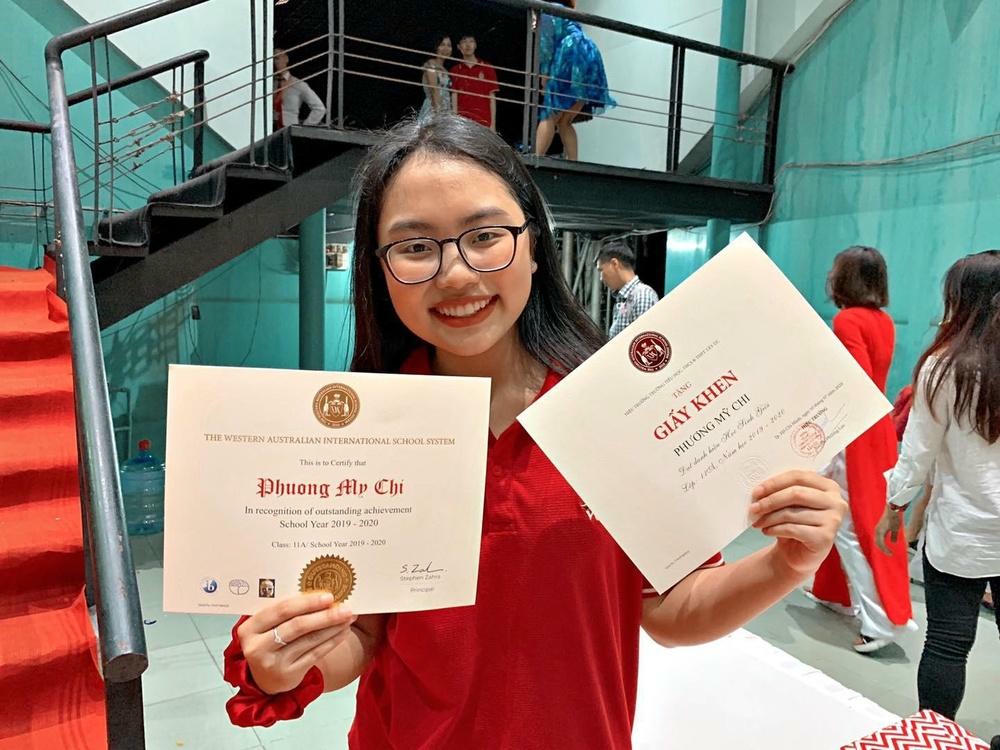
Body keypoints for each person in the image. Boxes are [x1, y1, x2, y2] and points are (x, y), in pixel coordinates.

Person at [220, 114, 847, 748]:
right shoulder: (361, 432)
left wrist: (785, 562)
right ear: (379, 267)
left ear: (533, 243)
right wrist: (286, 657)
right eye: (416, 247)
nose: (455, 274)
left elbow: (671, 606)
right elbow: (362, 633)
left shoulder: (616, 411)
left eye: (484, 236)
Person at [874, 250, 1000, 735]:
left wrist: (894, 506)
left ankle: (936, 739)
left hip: (963, 528)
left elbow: (917, 451)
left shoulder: (944, 367)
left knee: (947, 643)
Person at [806, 246, 914, 653]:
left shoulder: (847, 319)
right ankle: (839, 596)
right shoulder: (883, 321)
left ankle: (878, 620)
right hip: (875, 428)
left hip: (854, 432)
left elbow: (855, 380)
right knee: (859, 520)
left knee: (850, 527)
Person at [534, 0, 616, 161]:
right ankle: (573, 161)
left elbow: (546, 47)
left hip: (570, 53)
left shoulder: (547, 12)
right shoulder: (566, 13)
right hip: (588, 52)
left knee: (549, 114)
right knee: (565, 120)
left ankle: (536, 159)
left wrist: (544, 76)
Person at [597, 241, 659, 337]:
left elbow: (643, 342)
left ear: (614, 264)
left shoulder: (642, 296)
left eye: (601, 270)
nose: (601, 278)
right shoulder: (624, 299)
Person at [449, 35, 498, 130]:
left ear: (475, 45)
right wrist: (454, 122)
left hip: (484, 122)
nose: (468, 45)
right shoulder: (455, 70)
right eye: (464, 42)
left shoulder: (487, 68)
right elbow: (454, 96)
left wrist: (493, 125)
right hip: (463, 122)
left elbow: (492, 97)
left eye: (471, 41)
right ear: (458, 46)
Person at [273, 48, 326, 127]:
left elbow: (319, 108)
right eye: (272, 59)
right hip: (269, 129)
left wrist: (304, 127)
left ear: (286, 59)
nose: (274, 62)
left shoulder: (298, 85)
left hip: (289, 129)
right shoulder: (267, 84)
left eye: (277, 58)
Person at [418, 35, 453, 121]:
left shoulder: (446, 71)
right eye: (442, 44)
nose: (446, 48)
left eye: (449, 45)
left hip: (445, 110)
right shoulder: (431, 64)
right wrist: (438, 115)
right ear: (436, 47)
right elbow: (434, 91)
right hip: (433, 110)